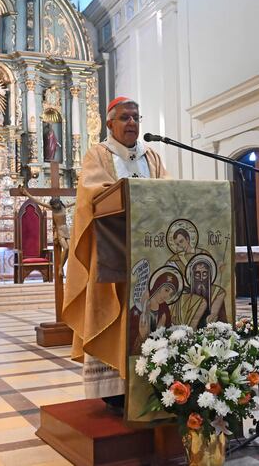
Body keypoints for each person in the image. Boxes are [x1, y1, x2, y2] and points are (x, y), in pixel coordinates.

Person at [63, 96, 169, 413]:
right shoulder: (98, 155)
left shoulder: (152, 156)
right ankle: (114, 390)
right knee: (114, 312)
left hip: (151, 253)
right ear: (110, 124)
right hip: (113, 253)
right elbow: (91, 195)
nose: (132, 123)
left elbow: (168, 189)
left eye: (136, 117)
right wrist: (128, 191)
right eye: (125, 117)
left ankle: (155, 380)